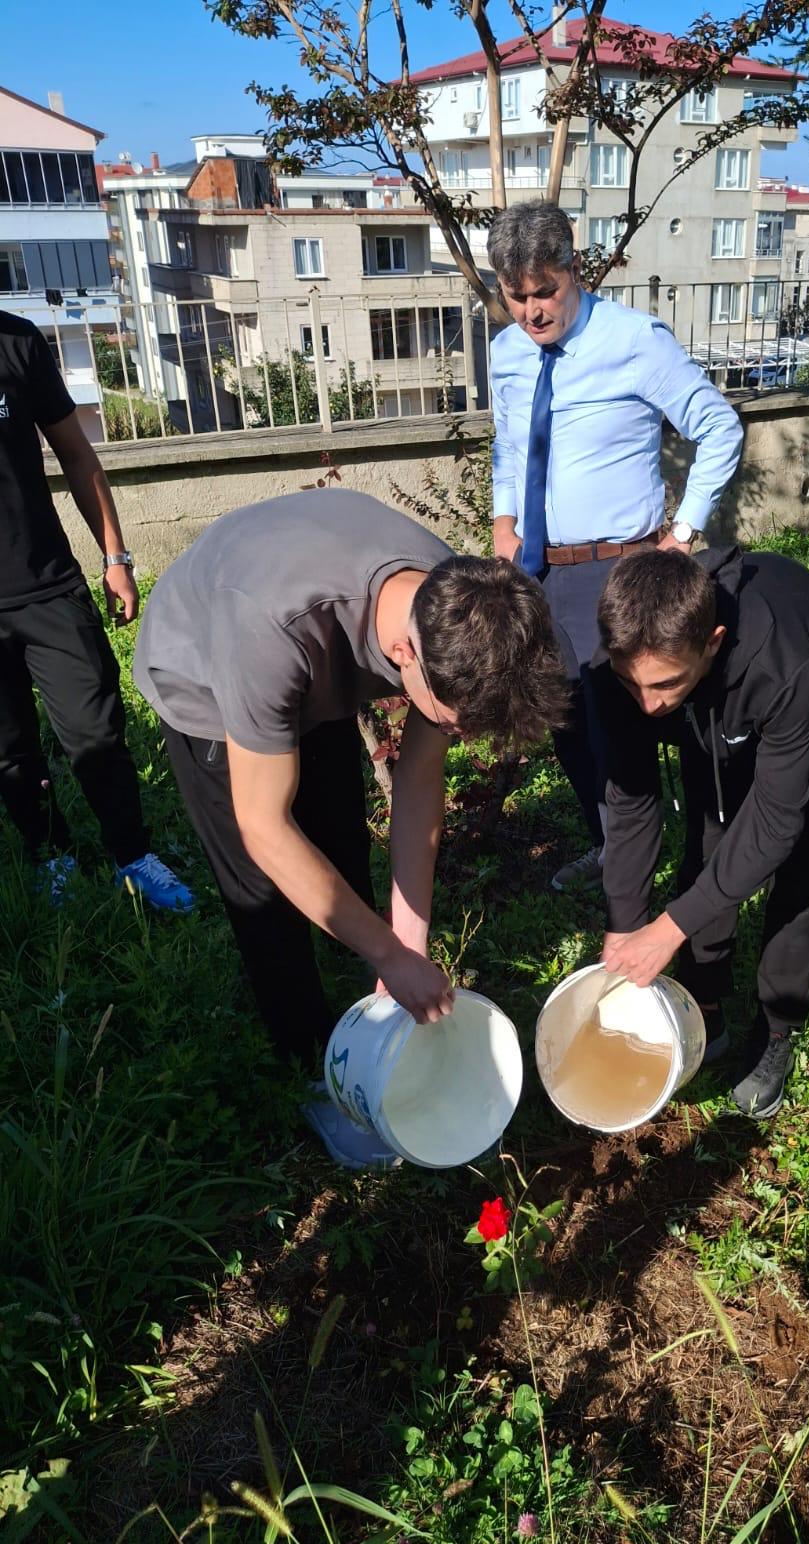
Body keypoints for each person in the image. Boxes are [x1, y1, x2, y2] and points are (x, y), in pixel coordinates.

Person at [132, 488, 568, 1165]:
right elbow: (264, 827)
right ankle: (312, 1066)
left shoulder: (460, 606)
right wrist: (391, 958)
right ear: (403, 653)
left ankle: (364, 981)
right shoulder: (273, 631)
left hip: (312, 656)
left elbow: (418, 782)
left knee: (338, 840)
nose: (456, 738)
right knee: (266, 893)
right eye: (453, 726)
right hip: (206, 670)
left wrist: (407, 942)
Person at [487, 201, 744, 892]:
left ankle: (662, 863)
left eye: (546, 292)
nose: (532, 311)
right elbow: (509, 446)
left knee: (623, 726)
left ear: (573, 269)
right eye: (516, 296)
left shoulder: (635, 341)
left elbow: (718, 428)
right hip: (537, 570)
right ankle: (610, 848)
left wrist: (682, 534)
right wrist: (504, 523)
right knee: (563, 720)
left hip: (616, 568)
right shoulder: (507, 352)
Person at [594, 547, 809, 1118]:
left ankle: (777, 1025)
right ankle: (704, 1001)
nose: (647, 705)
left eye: (664, 684)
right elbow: (631, 801)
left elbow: (777, 821)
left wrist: (669, 928)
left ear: (713, 642)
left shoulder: (785, 663)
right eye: (630, 684)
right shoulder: (623, 663)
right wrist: (626, 922)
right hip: (710, 701)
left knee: (798, 860)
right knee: (711, 831)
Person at [0, 308, 193, 908]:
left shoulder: (16, 342)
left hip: (48, 585)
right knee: (8, 748)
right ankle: (48, 854)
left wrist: (116, 558)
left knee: (97, 733)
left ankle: (133, 856)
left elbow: (77, 455)